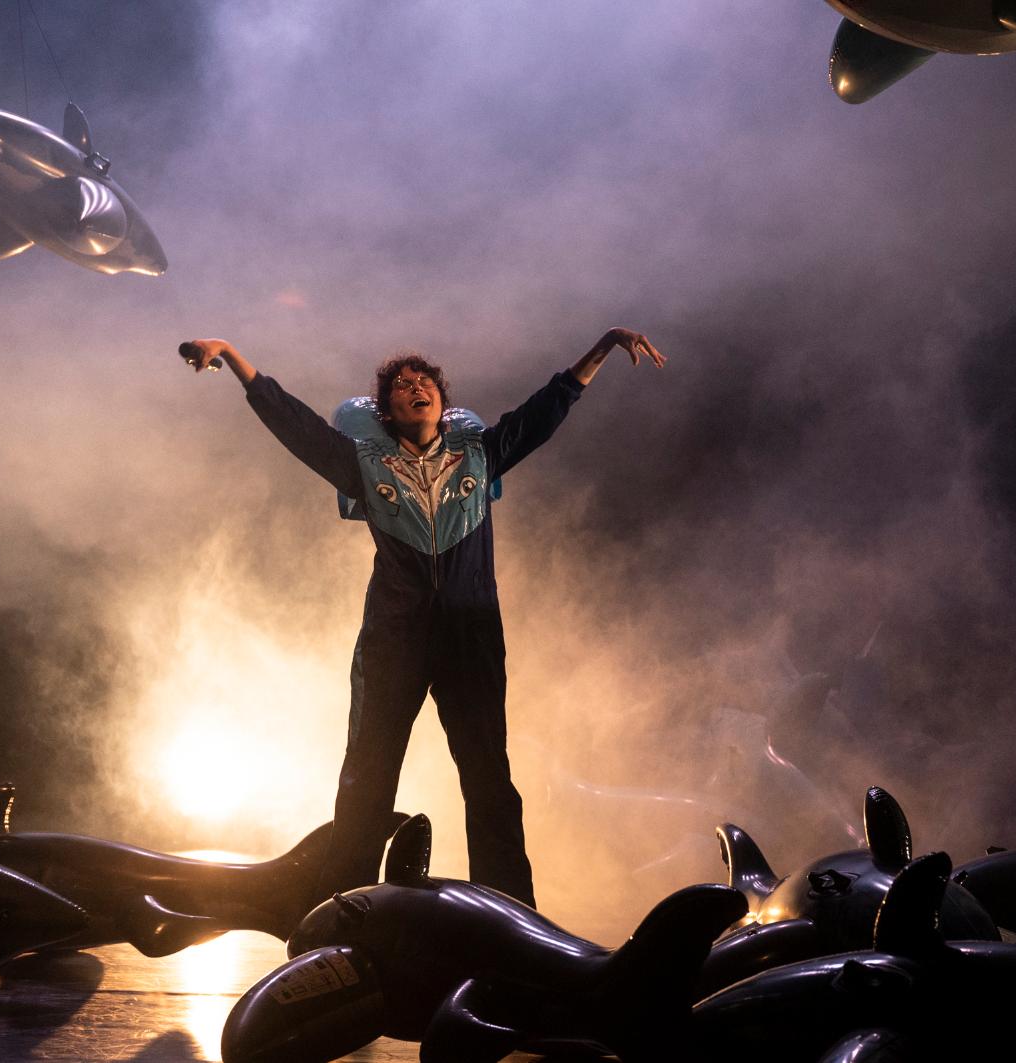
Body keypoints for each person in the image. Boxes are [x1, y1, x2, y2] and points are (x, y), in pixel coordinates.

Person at [181, 329, 666, 907]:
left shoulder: (480, 453)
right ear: (386, 413)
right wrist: (231, 355)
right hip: (395, 638)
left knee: (489, 778)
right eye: (402, 385)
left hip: (470, 636)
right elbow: (296, 425)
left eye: (425, 380)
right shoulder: (363, 466)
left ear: (441, 399)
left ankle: (510, 916)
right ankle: (345, 911)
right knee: (369, 775)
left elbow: (546, 409)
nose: (417, 387)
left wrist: (606, 344)